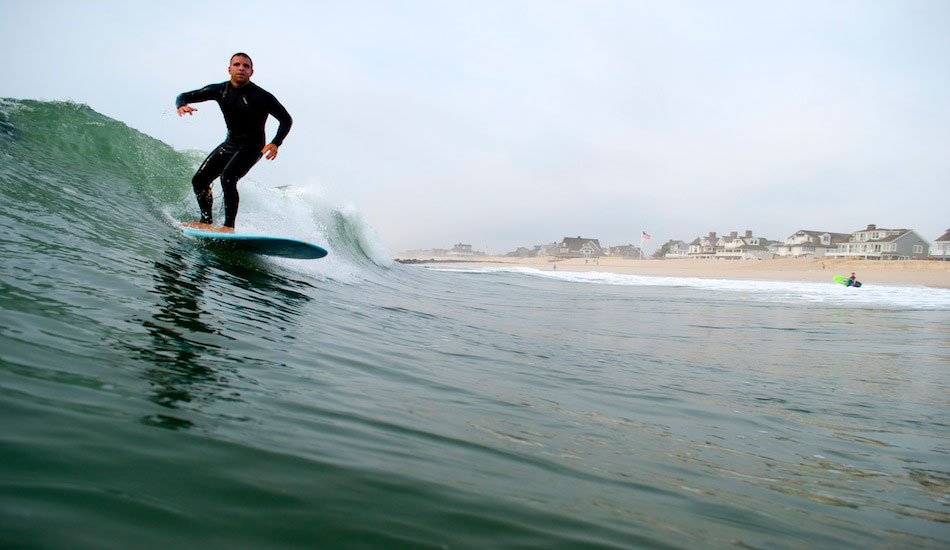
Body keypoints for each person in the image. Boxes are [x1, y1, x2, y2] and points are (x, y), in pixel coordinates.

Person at [176, 52, 292, 232]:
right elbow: (184, 96)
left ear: (251, 72)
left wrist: (276, 143)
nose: (241, 68)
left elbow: (286, 119)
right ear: (229, 69)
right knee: (199, 180)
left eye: (246, 66)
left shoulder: (262, 96)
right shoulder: (219, 90)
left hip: (253, 147)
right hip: (230, 144)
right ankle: (205, 222)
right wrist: (181, 105)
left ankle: (228, 227)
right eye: (237, 65)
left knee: (228, 177)